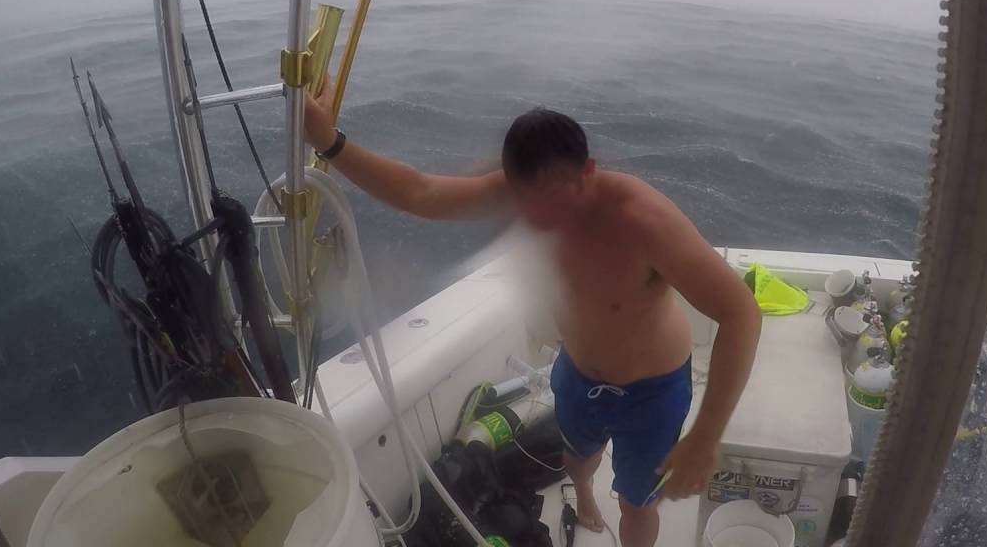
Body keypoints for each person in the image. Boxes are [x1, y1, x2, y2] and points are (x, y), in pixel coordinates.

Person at [305, 82, 761, 547]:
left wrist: (705, 438)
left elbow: (740, 314)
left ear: (589, 170)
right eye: (529, 203)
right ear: (511, 184)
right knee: (577, 460)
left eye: (559, 198)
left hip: (653, 392)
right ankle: (583, 491)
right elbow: (420, 193)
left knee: (636, 503)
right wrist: (329, 143)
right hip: (579, 373)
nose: (547, 219)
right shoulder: (523, 191)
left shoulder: (644, 222)